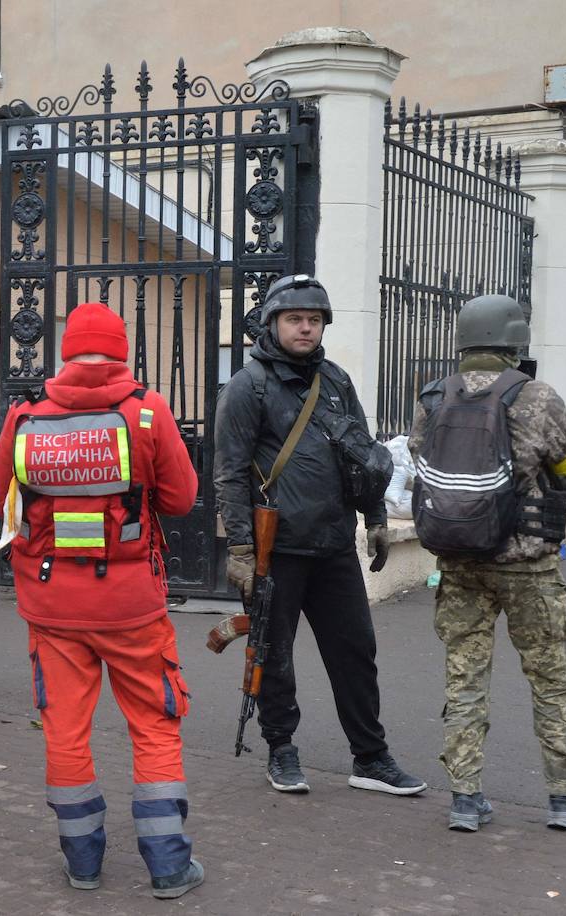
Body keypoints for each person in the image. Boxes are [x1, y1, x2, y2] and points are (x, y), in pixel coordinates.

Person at [0, 303, 203, 900]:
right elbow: (182, 500)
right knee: (155, 728)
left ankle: (82, 863)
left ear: (65, 353)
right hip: (132, 606)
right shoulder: (146, 411)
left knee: (64, 729)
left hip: (52, 604)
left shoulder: (24, 416)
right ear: (121, 351)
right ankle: (167, 867)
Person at [213, 274, 425, 797]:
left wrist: (375, 517)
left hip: (333, 545)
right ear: (273, 323)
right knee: (272, 654)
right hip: (275, 549)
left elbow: (362, 457)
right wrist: (240, 547)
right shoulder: (248, 387)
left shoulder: (335, 380)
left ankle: (371, 758)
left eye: (314, 320)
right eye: (295, 319)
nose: (305, 328)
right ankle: (281, 748)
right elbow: (229, 473)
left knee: (356, 652)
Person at [408, 294, 566, 832]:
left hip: (459, 563)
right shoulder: (536, 396)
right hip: (527, 568)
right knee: (550, 678)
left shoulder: (433, 397)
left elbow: (423, 465)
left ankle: (466, 801)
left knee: (464, 679)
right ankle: (565, 800)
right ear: (515, 340)